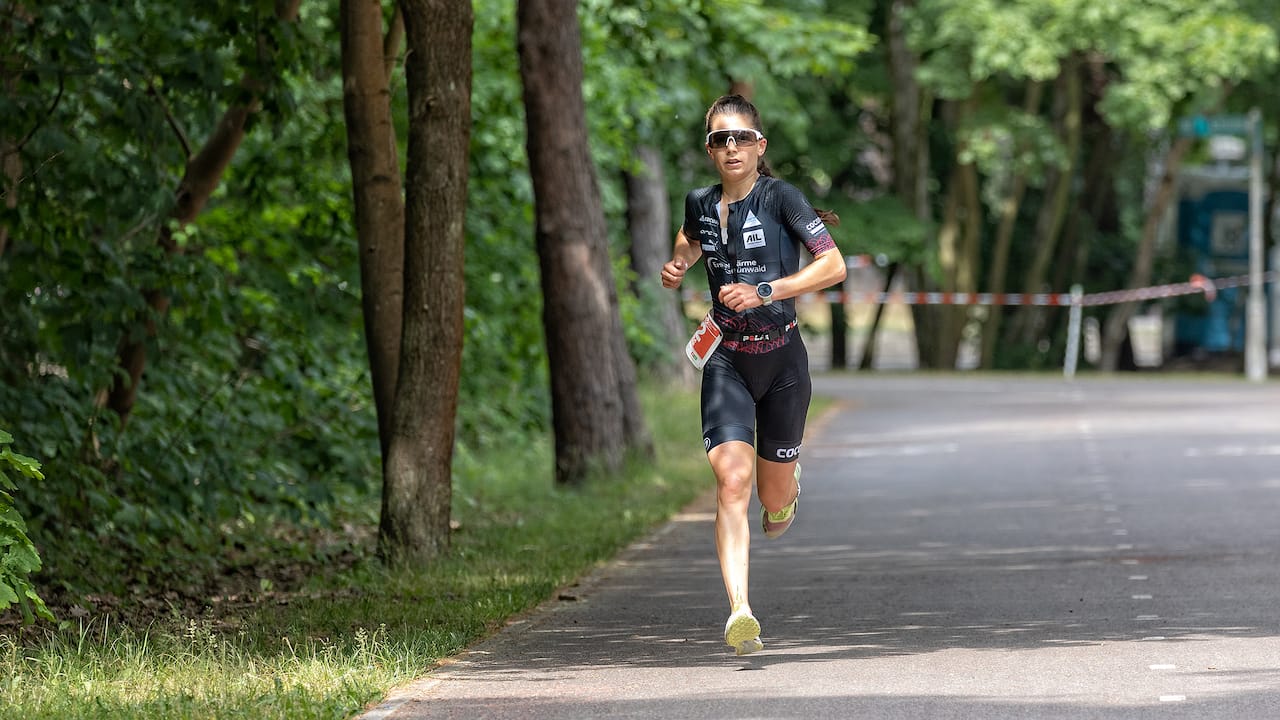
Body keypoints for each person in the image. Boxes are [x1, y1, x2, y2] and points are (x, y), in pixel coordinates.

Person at [660, 94, 847, 656]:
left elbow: (833, 265)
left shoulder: (781, 197)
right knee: (731, 481)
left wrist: (767, 290)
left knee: (773, 506)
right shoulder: (699, 202)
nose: (732, 147)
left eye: (741, 137)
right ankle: (740, 611)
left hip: (783, 360)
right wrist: (680, 263)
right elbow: (690, 239)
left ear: (759, 145)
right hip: (727, 360)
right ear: (709, 149)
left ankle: (786, 493)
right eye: (720, 139)